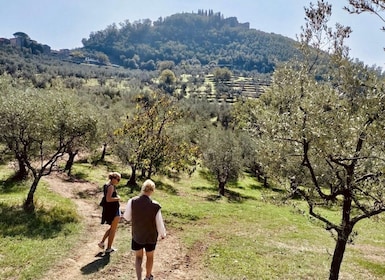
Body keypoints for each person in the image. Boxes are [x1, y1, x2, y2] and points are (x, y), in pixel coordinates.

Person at [123, 179, 166, 280]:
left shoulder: (132, 201)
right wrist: (163, 234)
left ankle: (139, 278)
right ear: (152, 190)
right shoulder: (155, 205)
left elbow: (127, 217)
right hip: (151, 236)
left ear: (142, 188)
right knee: (150, 256)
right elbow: (159, 222)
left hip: (137, 235)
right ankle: (147, 277)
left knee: (138, 257)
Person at [98, 171, 121, 253]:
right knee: (113, 229)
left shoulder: (107, 185)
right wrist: (118, 198)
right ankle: (109, 248)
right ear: (114, 179)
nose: (119, 181)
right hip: (113, 210)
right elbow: (108, 199)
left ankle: (102, 242)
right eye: (118, 179)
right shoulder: (111, 187)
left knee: (112, 228)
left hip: (111, 209)